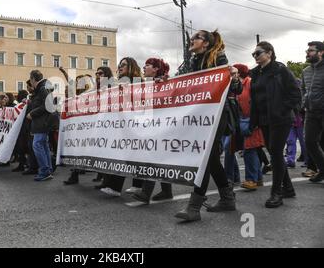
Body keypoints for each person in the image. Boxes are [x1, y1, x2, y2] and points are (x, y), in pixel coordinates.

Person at [175, 30, 237, 222]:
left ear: (207, 44)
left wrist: (233, 77)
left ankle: (193, 207)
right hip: (200, 114)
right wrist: (164, 82)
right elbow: (181, 83)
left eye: (196, 38)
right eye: (192, 38)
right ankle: (227, 198)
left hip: (218, 115)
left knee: (206, 155)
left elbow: (235, 88)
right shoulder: (192, 61)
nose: (192, 40)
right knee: (211, 159)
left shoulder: (219, 58)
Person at [250, 41, 301, 208]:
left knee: (276, 153)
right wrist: (254, 120)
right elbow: (253, 98)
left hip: (281, 118)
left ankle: (276, 193)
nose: (255, 56)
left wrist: (282, 109)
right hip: (264, 119)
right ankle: (288, 188)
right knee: (274, 152)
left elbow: (295, 94)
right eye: (254, 54)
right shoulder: (256, 73)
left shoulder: (280, 70)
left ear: (269, 53)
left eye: (258, 53)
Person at [131, 58, 174, 204]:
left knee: (153, 158)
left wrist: (164, 84)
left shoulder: (163, 83)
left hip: (161, 126)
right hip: (151, 125)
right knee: (157, 158)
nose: (144, 67)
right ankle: (167, 191)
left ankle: (146, 192)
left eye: (147, 65)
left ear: (156, 69)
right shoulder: (146, 84)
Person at [100, 57, 143, 197]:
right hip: (122, 125)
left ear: (131, 66)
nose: (120, 67)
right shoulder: (118, 84)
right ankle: (136, 185)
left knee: (132, 155)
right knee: (129, 155)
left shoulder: (140, 82)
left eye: (123, 65)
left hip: (136, 124)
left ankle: (118, 187)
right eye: (119, 65)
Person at [233, 64, 265, 190]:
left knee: (249, 150)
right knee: (252, 149)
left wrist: (255, 120)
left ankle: (251, 180)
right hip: (246, 121)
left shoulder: (250, 83)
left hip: (253, 121)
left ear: (239, 73)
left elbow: (257, 102)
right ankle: (258, 178)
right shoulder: (240, 85)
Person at [302, 41, 324, 183]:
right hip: (311, 112)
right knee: (309, 142)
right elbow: (303, 89)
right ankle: (322, 170)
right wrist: (304, 102)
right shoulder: (306, 71)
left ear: (321, 52)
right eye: (307, 50)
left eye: (311, 50)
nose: (307, 53)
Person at [27, 70, 54, 181]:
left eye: (31, 79)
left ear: (33, 79)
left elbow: (48, 105)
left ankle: (44, 171)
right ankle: (47, 170)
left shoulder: (43, 88)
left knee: (37, 145)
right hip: (43, 122)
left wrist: (32, 113)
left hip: (41, 123)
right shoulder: (43, 88)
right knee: (43, 146)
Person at [285, 78, 306, 169]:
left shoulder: (301, 94)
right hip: (291, 121)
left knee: (303, 142)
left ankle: (308, 160)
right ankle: (290, 160)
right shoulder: (286, 92)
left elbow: (301, 106)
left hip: (300, 120)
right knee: (290, 141)